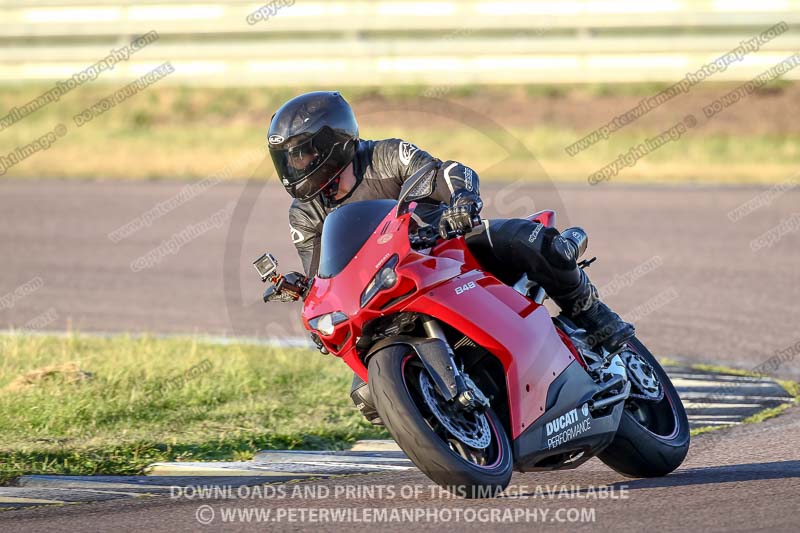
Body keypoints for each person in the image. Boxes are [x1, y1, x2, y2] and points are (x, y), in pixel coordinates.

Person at [267, 91, 634, 424]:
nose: (296, 166)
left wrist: (462, 202)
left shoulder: (385, 155)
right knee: (366, 397)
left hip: (444, 246)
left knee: (532, 240)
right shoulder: (304, 213)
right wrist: (313, 300)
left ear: (334, 141)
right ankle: (454, 425)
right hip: (388, 287)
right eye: (288, 158)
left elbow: (445, 171)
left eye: (303, 152)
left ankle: (594, 316)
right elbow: (321, 275)